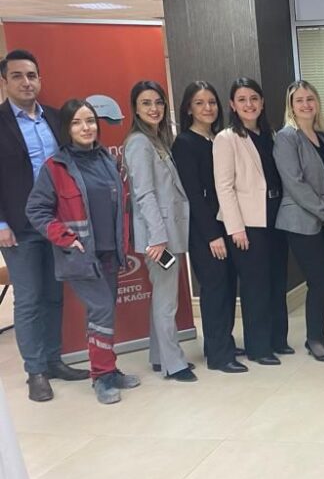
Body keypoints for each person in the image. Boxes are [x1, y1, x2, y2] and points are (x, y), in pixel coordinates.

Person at [25, 99, 141, 403]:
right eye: (77, 122)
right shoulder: (55, 167)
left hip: (110, 252)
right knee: (101, 310)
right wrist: (65, 238)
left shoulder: (107, 160)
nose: (86, 127)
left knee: (104, 311)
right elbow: (36, 210)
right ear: (67, 128)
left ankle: (109, 369)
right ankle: (101, 376)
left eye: (90, 121)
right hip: (79, 255)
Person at [0, 49, 89, 402]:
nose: (26, 82)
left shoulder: (55, 117)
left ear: (40, 79)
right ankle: (35, 370)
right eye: (17, 76)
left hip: (58, 224)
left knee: (54, 295)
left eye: (31, 75)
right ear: (4, 82)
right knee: (29, 299)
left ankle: (53, 361)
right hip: (18, 226)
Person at [214, 77, 292, 365]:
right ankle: (259, 348)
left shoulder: (271, 134)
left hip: (275, 216)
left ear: (262, 102)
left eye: (254, 98)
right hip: (247, 223)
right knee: (255, 286)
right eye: (242, 99)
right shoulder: (227, 138)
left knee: (277, 281)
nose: (249, 104)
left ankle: (278, 339)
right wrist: (236, 228)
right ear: (233, 105)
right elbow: (224, 187)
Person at [123, 80, 197, 382]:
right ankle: (173, 363)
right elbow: (144, 194)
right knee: (167, 302)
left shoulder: (157, 139)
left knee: (163, 297)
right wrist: (157, 237)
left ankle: (159, 356)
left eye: (158, 102)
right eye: (146, 103)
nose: (154, 108)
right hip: (159, 237)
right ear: (135, 108)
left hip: (168, 232)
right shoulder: (139, 143)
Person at [172, 81, 247, 373]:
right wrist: (212, 235)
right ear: (189, 109)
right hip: (205, 230)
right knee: (215, 288)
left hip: (225, 223)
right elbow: (193, 194)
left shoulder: (218, 139)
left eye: (212, 102)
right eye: (200, 103)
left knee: (227, 286)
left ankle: (221, 342)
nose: (207, 108)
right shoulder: (185, 143)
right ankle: (218, 355)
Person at [274, 80, 324, 362]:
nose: (306, 104)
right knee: (318, 280)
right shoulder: (286, 138)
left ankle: (320, 334)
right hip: (302, 222)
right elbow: (295, 184)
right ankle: (314, 339)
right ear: (291, 106)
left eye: (310, 99)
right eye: (299, 100)